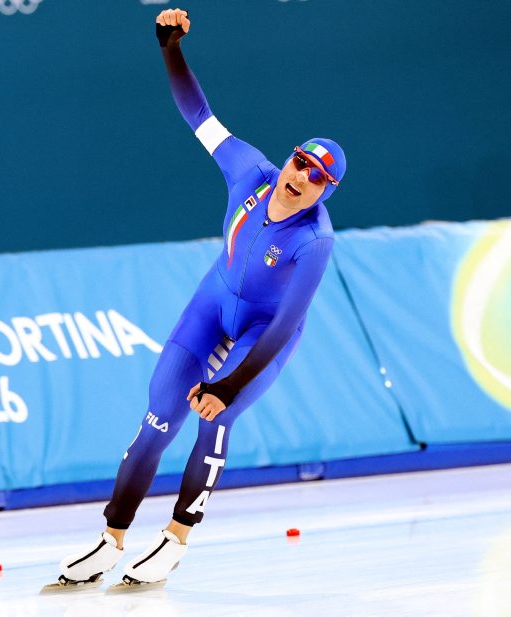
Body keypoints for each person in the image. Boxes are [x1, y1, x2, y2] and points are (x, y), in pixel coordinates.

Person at [54, 8, 347, 588]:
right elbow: (200, 116)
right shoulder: (250, 171)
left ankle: (177, 534)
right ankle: (111, 539)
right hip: (214, 303)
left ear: (324, 191)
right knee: (158, 416)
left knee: (216, 417)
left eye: (316, 177)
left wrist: (226, 387)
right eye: (300, 162)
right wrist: (170, 50)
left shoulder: (315, 241)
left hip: (265, 331)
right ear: (289, 157)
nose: (301, 177)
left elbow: (285, 324)